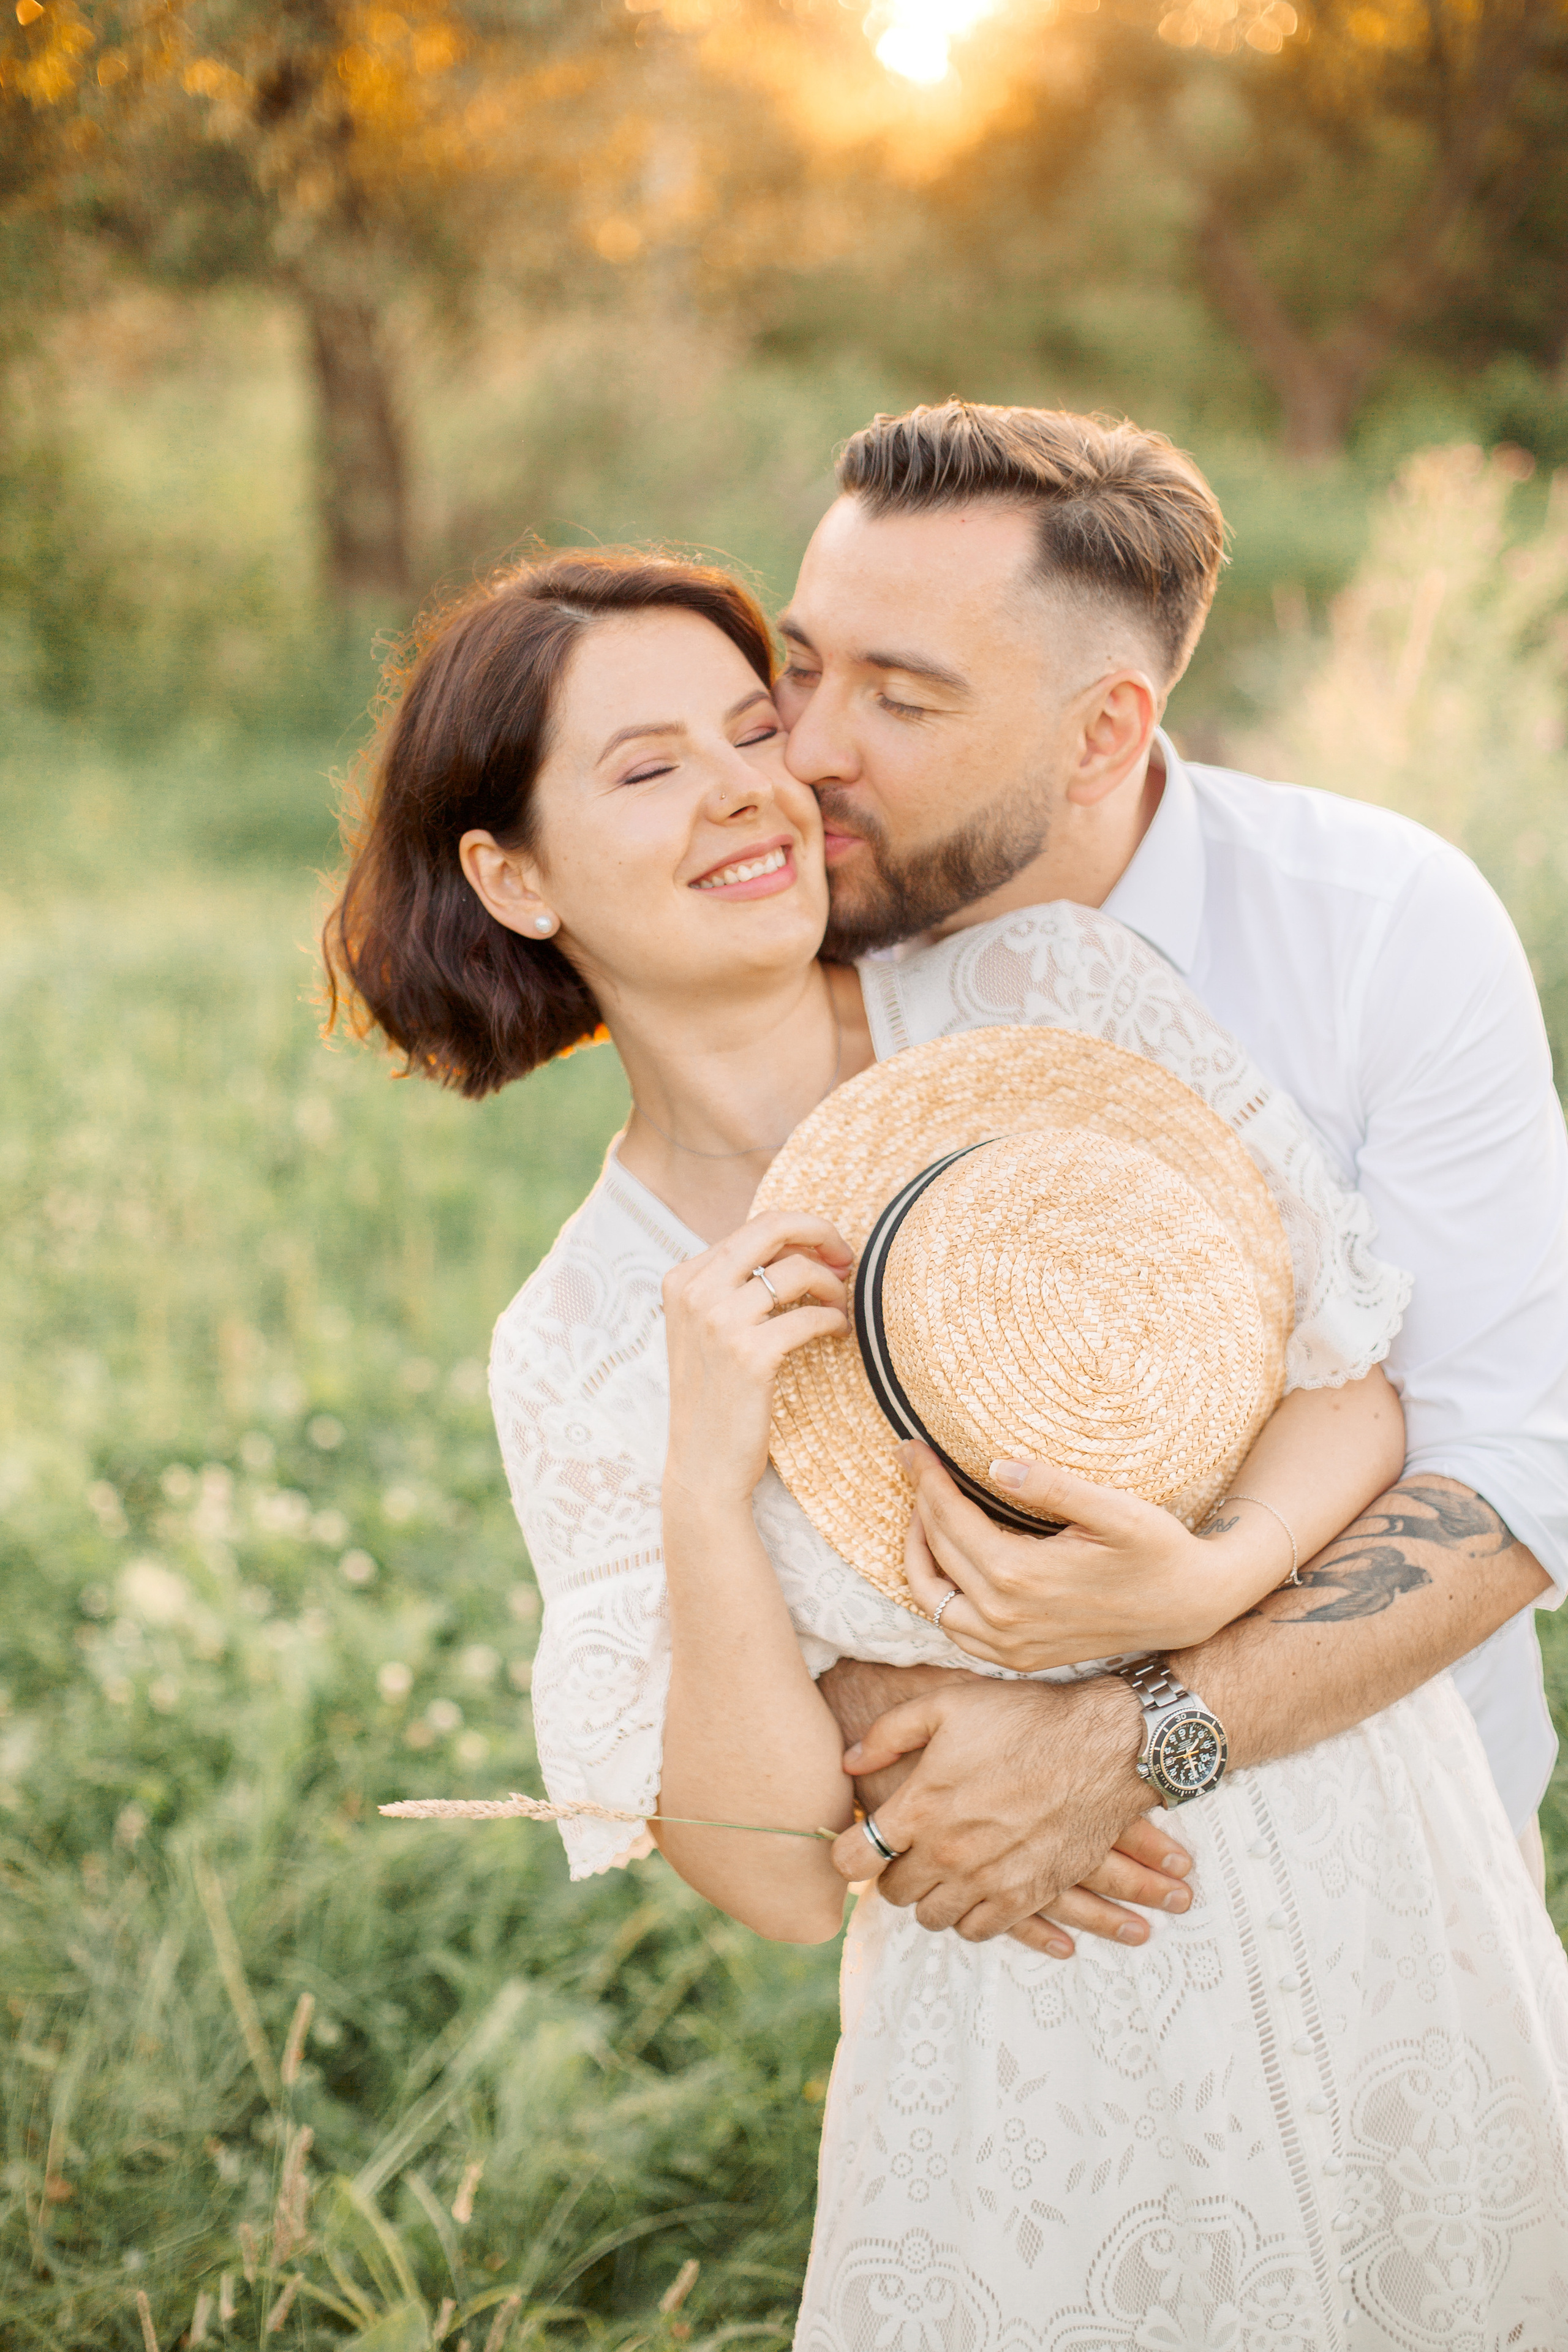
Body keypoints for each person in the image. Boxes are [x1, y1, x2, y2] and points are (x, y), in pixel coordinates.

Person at [324, 547, 1568, 2343]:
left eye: (755, 728)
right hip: (1058, 2046)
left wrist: (1206, 1574)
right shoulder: (586, 1332)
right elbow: (768, 1873)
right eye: (647, 765)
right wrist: (706, 1478)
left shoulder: (1048, 1003)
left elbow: (1352, 1385)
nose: (749, 787)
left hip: (1383, 1901)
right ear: (511, 878)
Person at [772, 401, 1568, 1930]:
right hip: (1002, 1906)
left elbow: (1517, 1455)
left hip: (1400, 1889)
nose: (806, 749)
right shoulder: (793, 945)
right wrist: (905, 1720)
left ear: (1104, 732)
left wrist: (1124, 1740)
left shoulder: (1380, 923)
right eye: (801, 663)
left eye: (903, 700)